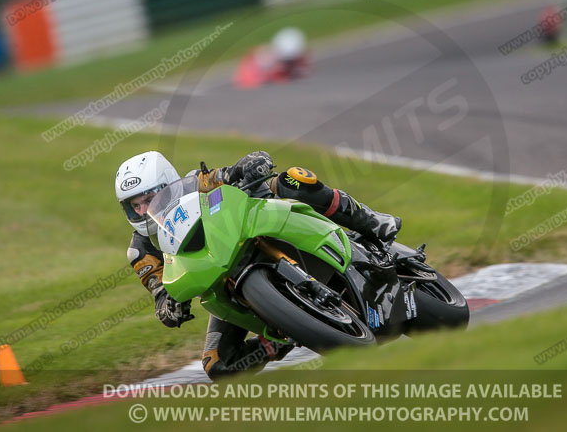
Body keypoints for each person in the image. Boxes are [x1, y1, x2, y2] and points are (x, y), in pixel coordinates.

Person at [114, 150, 401, 380]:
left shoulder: (195, 183)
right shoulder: (140, 251)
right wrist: (169, 308)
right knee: (218, 365)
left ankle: (370, 220)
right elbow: (160, 293)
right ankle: (286, 337)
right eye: (133, 206)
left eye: (148, 199)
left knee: (292, 179)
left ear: (167, 185)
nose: (142, 211)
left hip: (255, 230)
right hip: (224, 287)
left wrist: (250, 164)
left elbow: (225, 175)